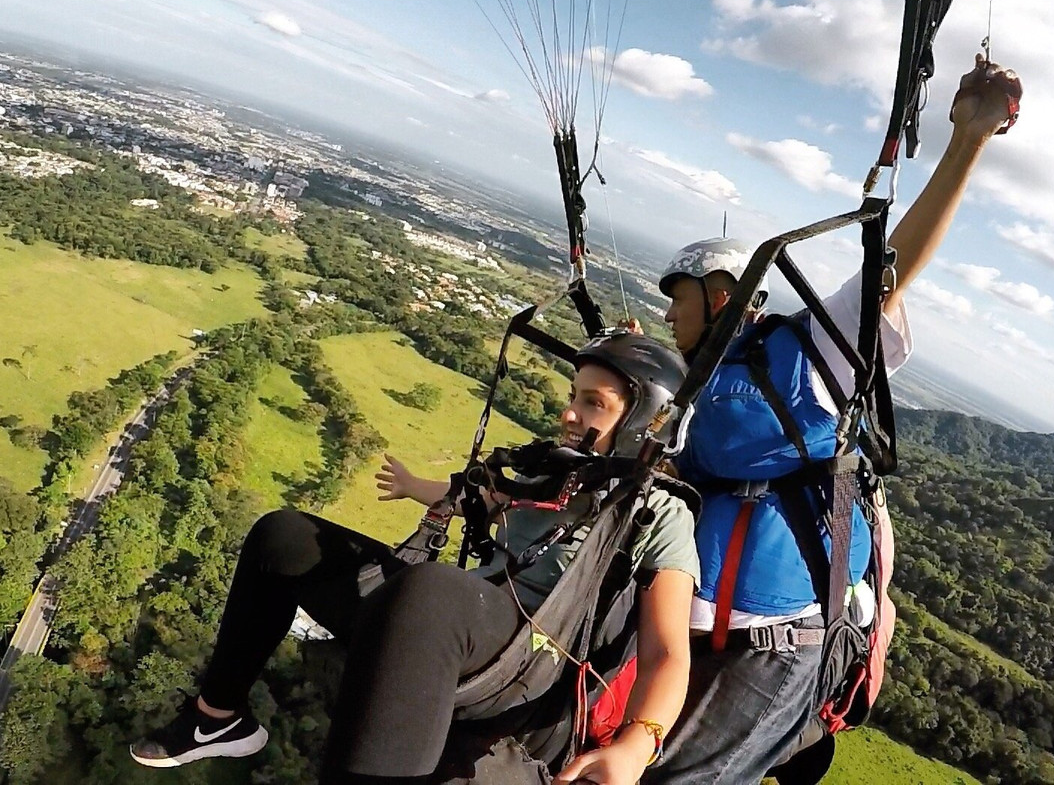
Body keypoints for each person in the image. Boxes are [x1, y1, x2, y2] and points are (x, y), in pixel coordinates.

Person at [639, 55, 1023, 785]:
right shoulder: (690, 390)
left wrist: (967, 141)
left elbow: (889, 268)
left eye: (677, 299)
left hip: (772, 642)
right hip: (678, 622)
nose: (666, 316)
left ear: (719, 297)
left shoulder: (807, 353)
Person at [129, 331, 700, 785]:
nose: (570, 413)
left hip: (531, 659)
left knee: (432, 591)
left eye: (593, 403)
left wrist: (635, 746)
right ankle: (217, 719)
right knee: (284, 537)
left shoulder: (659, 514)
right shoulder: (553, 474)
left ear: (644, 422)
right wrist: (415, 487)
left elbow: (668, 653)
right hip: (453, 624)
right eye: (574, 396)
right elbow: (479, 497)